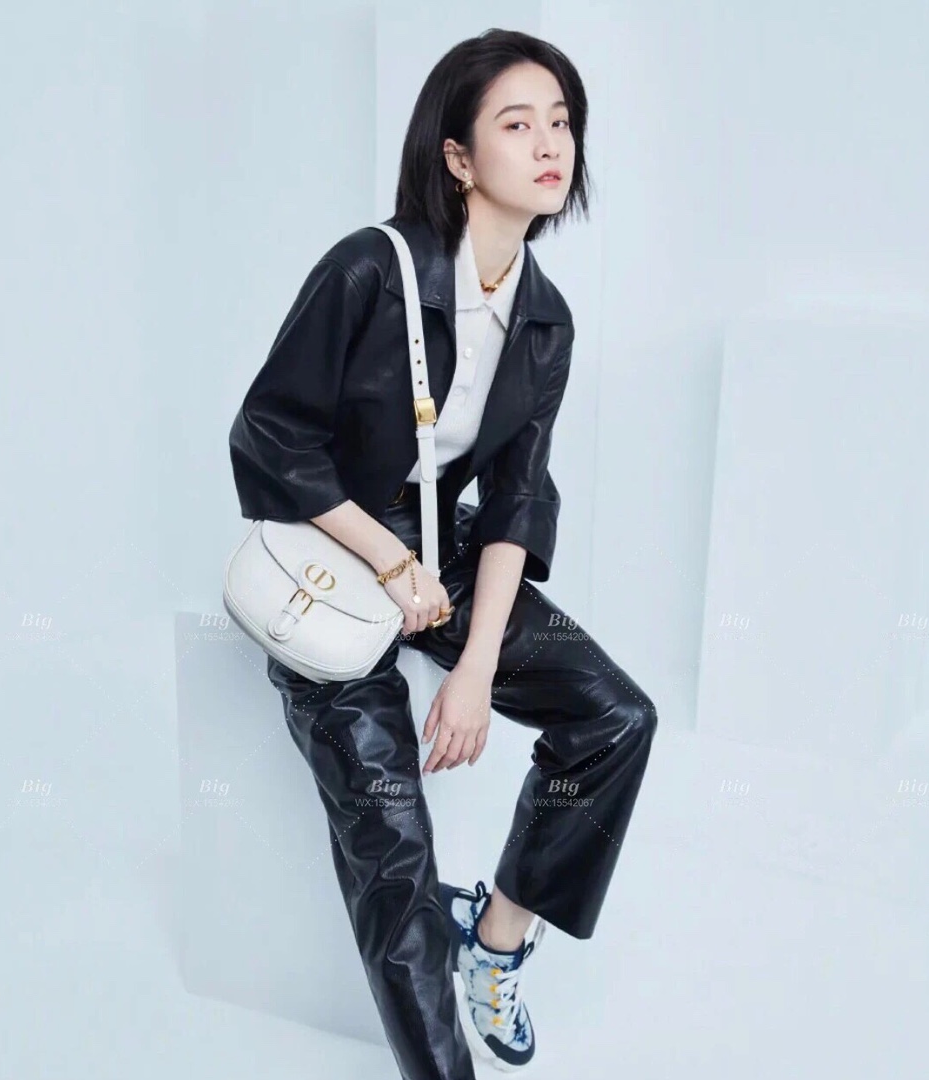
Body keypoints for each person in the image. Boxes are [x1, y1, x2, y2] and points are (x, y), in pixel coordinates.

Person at [228, 27, 657, 1080]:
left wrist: (474, 668)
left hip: (442, 553)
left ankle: (497, 940)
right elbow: (270, 433)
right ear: (458, 156)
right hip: (332, 557)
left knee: (615, 719)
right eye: (517, 123)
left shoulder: (545, 321)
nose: (550, 144)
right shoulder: (369, 270)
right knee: (394, 862)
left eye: (561, 122)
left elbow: (516, 500)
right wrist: (389, 563)